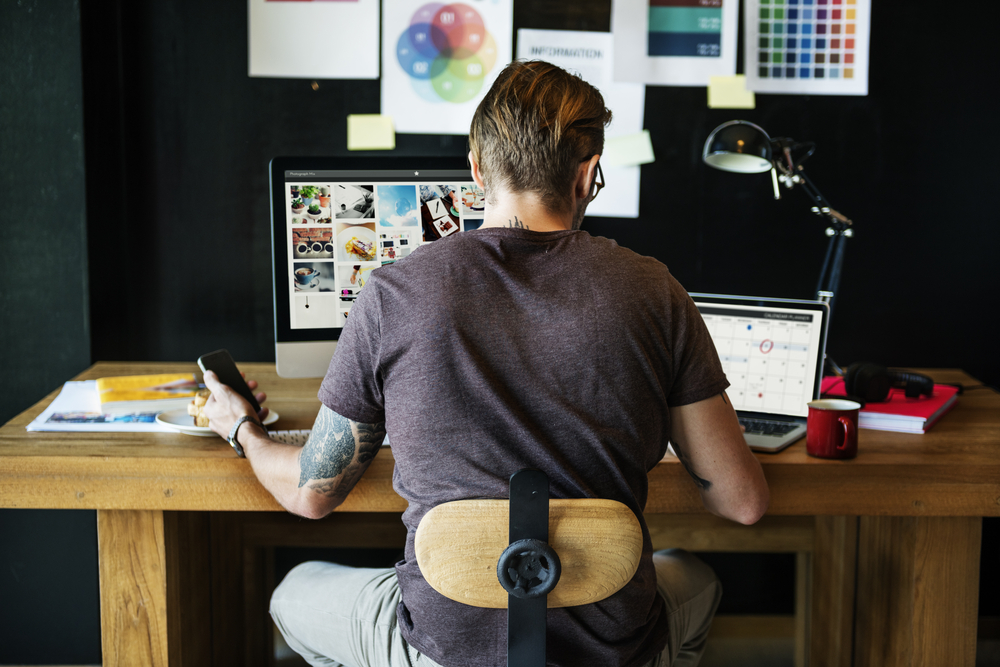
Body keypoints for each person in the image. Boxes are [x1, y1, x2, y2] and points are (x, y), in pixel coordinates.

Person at [203, 59, 769, 667]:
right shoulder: (653, 291)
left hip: (443, 652)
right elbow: (742, 501)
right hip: (613, 651)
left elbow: (313, 493)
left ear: (476, 169)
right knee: (695, 579)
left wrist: (243, 431)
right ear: (588, 174)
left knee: (293, 594)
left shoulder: (395, 293)